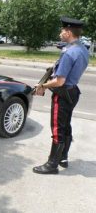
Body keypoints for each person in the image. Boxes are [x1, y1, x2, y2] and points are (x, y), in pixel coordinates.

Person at [33, 17, 89, 174]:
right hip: (73, 92)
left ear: (69, 32)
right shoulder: (82, 49)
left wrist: (42, 86)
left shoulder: (69, 53)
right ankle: (63, 157)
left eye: (62, 30)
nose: (60, 33)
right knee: (66, 125)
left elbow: (59, 81)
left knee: (58, 128)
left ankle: (52, 165)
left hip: (62, 94)